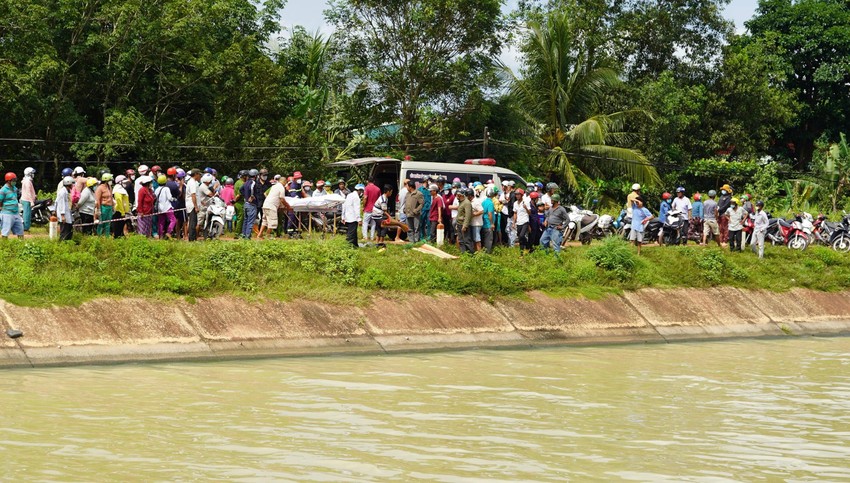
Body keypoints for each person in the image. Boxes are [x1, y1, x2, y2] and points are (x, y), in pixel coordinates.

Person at [0, 173, 24, 240]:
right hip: (7, 213)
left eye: (15, 180)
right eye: (13, 180)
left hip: (16, 213)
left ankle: (21, 245)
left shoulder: (14, 189)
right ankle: (5, 246)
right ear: (8, 181)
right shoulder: (3, 190)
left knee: (20, 230)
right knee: (5, 231)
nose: (15, 182)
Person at [154, 174, 176, 239]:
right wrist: (174, 199)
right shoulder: (166, 188)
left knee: (161, 222)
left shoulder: (157, 189)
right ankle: (168, 232)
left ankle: (160, 236)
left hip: (160, 209)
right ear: (165, 181)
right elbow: (169, 198)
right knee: (173, 220)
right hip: (167, 207)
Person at [342, 184, 364, 248]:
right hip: (353, 218)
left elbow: (344, 206)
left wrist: (343, 216)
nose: (362, 193)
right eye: (362, 191)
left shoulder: (349, 195)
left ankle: (355, 245)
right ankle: (348, 246)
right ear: (359, 190)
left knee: (354, 233)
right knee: (351, 233)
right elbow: (356, 209)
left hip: (348, 217)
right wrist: (359, 219)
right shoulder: (356, 197)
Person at [240, 169, 259, 239]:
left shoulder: (246, 182)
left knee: (246, 220)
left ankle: (244, 235)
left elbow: (241, 189)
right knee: (250, 221)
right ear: (256, 176)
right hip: (251, 204)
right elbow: (251, 189)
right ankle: (247, 236)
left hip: (246, 204)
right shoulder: (253, 182)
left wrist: (245, 195)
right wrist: (251, 196)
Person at [55, 176, 75, 241]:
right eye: (72, 184)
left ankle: (67, 242)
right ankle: (62, 243)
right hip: (63, 215)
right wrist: (63, 216)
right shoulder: (62, 192)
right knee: (64, 231)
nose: (73, 185)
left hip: (66, 213)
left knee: (68, 229)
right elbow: (61, 204)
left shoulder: (65, 191)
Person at [456, 189, 474, 254]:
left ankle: (471, 255)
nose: (456, 196)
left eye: (458, 195)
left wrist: (465, 225)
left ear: (461, 195)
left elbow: (468, 215)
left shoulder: (467, 203)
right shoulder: (460, 202)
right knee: (461, 241)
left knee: (467, 241)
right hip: (459, 224)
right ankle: (463, 254)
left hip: (463, 224)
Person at [197, 173, 215, 238]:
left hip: (205, 206)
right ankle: (196, 236)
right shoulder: (203, 186)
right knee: (199, 222)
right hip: (202, 207)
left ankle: (201, 235)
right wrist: (214, 188)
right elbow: (211, 194)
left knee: (203, 222)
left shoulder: (204, 186)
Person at [185, 169, 201, 241]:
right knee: (192, 223)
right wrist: (196, 206)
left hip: (192, 205)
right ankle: (192, 239)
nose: (200, 176)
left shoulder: (193, 182)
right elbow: (193, 195)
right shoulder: (192, 183)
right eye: (199, 174)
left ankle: (193, 238)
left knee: (194, 222)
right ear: (196, 174)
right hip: (192, 205)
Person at [20, 167, 36, 232]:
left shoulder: (28, 181)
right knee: (27, 214)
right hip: (27, 199)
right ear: (29, 174)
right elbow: (28, 192)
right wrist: (31, 201)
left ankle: (26, 227)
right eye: (32, 173)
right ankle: (25, 228)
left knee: (28, 214)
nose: (33, 174)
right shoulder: (27, 181)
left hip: (27, 199)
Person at [481, 187, 497, 253]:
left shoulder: (483, 202)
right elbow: (490, 213)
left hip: (483, 222)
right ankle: (487, 252)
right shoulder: (490, 203)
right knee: (489, 239)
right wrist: (492, 223)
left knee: (484, 238)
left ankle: (484, 251)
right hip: (488, 224)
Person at [470, 185, 485, 250]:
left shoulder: (476, 202)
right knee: (474, 239)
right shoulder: (470, 202)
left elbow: (482, 211)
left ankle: (479, 253)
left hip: (477, 224)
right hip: (472, 223)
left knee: (477, 239)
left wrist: (474, 214)